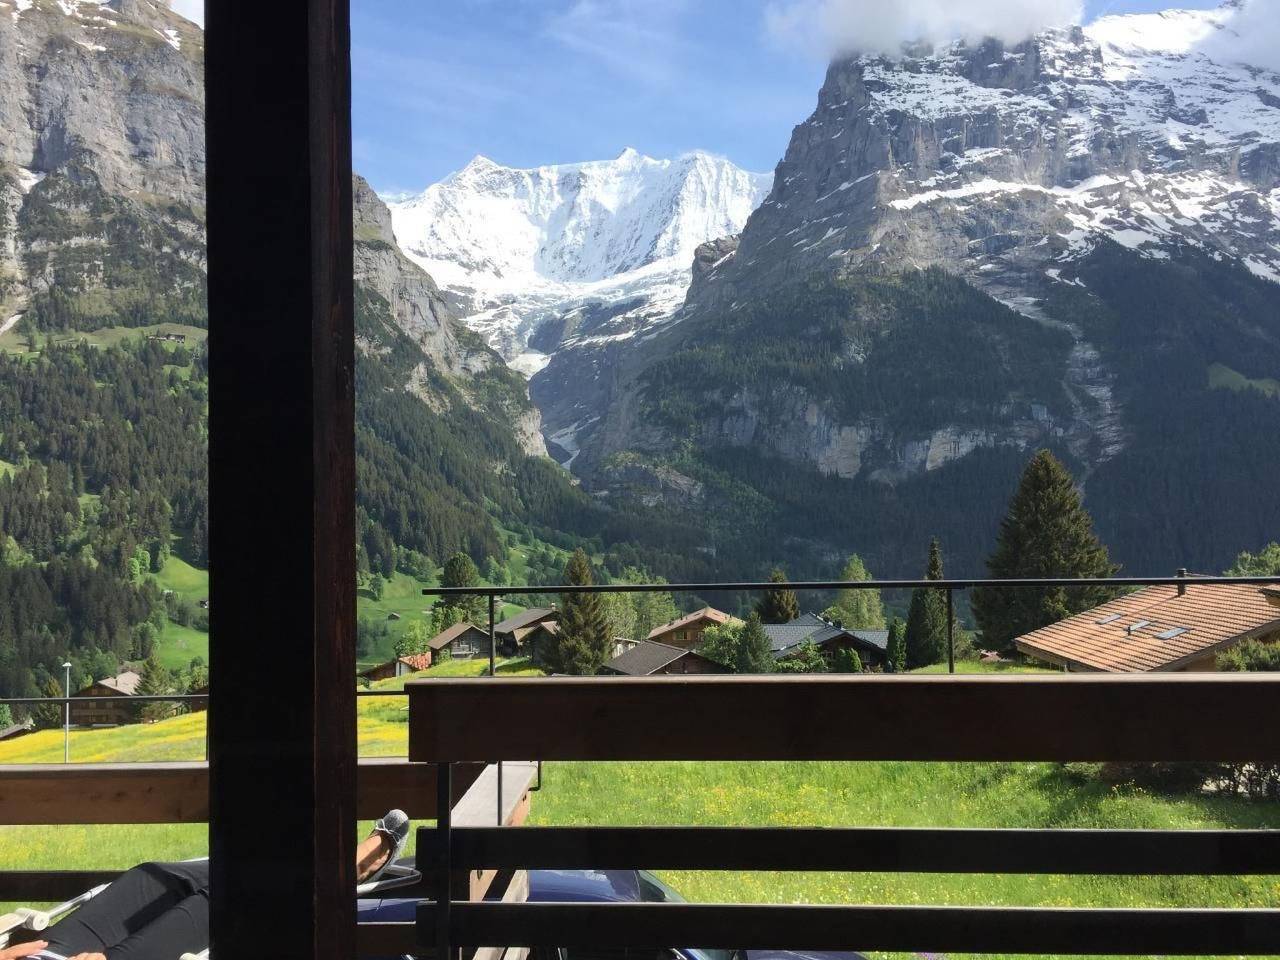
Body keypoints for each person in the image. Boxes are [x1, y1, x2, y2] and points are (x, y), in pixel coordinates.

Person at [0, 811, 410, 960]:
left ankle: (327, 871)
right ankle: (338, 871)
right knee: (220, 901)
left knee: (153, 876)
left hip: (39, 956)